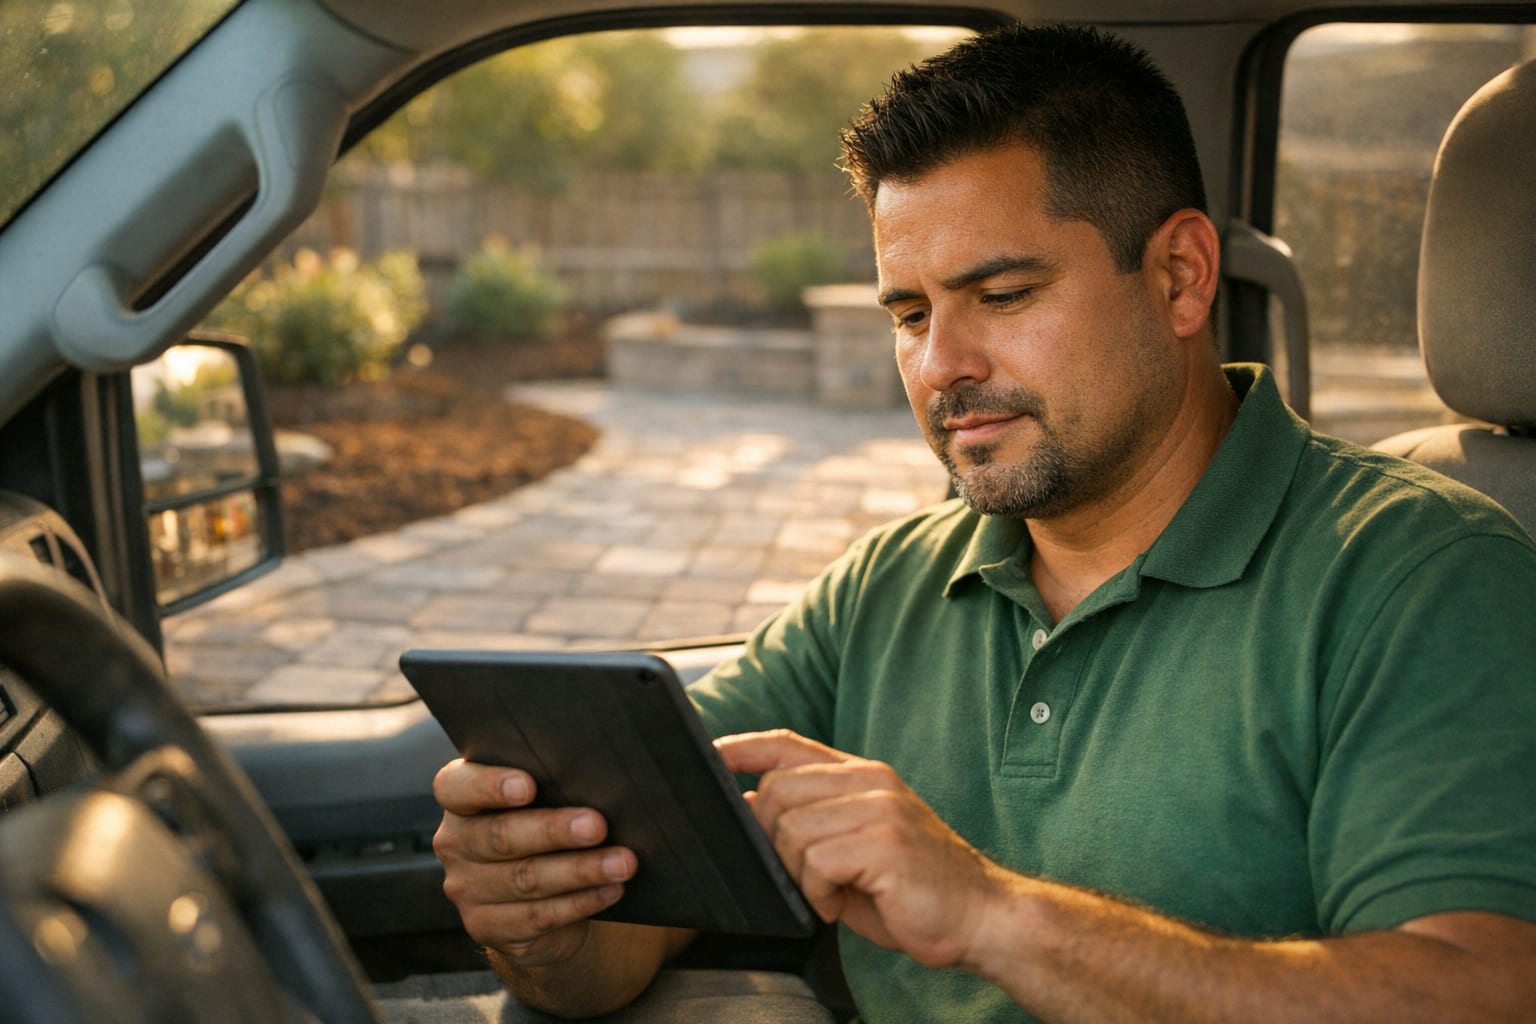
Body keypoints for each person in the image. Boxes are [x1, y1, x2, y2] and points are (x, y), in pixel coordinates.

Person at [431, 23, 1536, 1022]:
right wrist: (542, 910)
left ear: (1182, 276)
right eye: (909, 315)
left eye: (1001, 296)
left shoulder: (1422, 576)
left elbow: (1478, 991)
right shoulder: (883, 589)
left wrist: (994, 914)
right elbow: (614, 954)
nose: (940, 366)